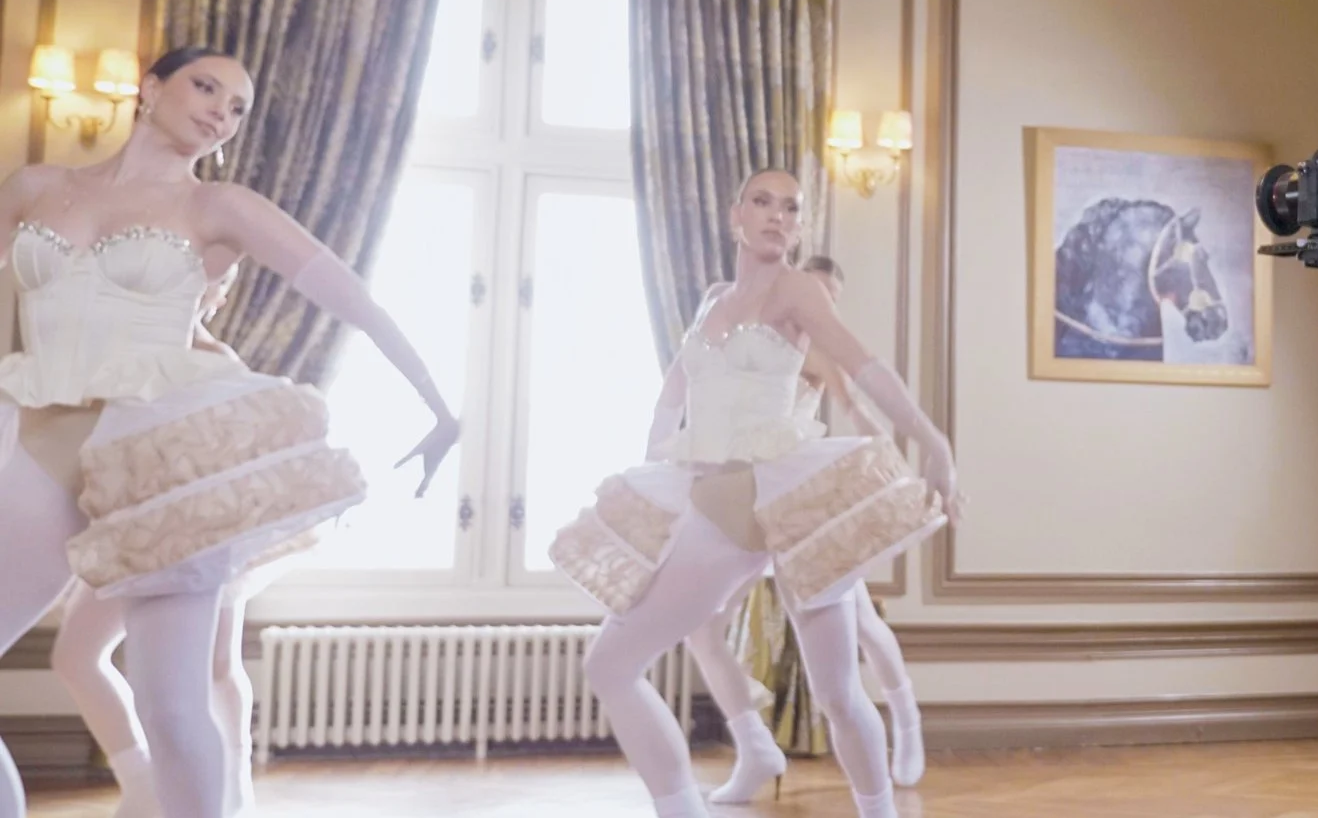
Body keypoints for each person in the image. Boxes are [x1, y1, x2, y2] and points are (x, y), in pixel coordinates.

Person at [0, 47, 459, 818]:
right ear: (148, 89)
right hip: (37, 436)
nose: (221, 109)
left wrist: (439, 407)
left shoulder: (220, 208)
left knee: (173, 711)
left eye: (238, 105)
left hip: (160, 458)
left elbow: (355, 300)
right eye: (205, 86)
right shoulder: (34, 187)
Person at [549, 170, 956, 818]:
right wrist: (654, 477)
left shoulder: (797, 290)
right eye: (762, 202)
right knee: (615, 665)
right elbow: (672, 395)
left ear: (800, 225)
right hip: (713, 495)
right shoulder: (713, 299)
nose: (777, 216)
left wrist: (933, 442)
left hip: (780, 491)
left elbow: (863, 365)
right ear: (735, 213)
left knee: (838, 693)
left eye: (791, 208)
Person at [680, 254, 925, 804]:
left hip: (801, 503)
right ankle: (753, 744)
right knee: (702, 624)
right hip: (745, 497)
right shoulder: (755, 340)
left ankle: (906, 715)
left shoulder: (819, 354)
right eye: (813, 292)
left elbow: (859, 412)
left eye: (829, 299)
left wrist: (890, 474)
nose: (818, 306)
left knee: (863, 625)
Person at [49, 266, 287, 818]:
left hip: (210, 531)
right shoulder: (126, 346)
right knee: (76, 655)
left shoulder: (218, 360)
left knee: (219, 667)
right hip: (135, 531)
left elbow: (236, 453)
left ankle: (231, 792)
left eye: (219, 278)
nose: (210, 285)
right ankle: (142, 781)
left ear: (219, 295)